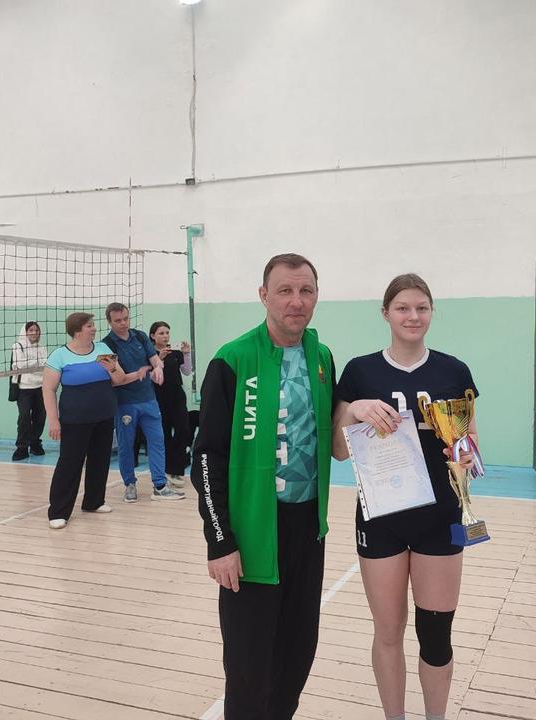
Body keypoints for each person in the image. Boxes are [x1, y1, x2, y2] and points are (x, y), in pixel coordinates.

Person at [191, 253, 335, 720]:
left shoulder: (321, 357)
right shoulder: (233, 359)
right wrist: (220, 541)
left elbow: (334, 432)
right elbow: (206, 458)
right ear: (264, 295)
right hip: (252, 537)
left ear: (316, 295)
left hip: (307, 534)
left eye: (306, 291)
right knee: (250, 669)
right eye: (285, 291)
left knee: (296, 657)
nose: (297, 301)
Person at [333, 273, 478, 720]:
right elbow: (338, 450)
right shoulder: (360, 372)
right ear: (385, 314)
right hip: (381, 519)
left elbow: (471, 447)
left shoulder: (454, 371)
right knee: (388, 632)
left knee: (436, 636)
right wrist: (354, 409)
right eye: (402, 308)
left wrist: (460, 450)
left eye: (421, 308)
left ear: (432, 312)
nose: (413, 316)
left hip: (441, 517)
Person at [43, 312, 131, 529]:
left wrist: (111, 367)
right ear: (77, 330)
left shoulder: (102, 349)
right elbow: (48, 390)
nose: (94, 329)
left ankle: (94, 501)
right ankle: (58, 511)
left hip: (104, 416)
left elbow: (119, 379)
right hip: (74, 420)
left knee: (100, 460)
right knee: (70, 463)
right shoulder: (60, 356)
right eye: (90, 326)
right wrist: (53, 421)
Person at [102, 303, 184, 502]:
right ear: (109, 322)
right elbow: (116, 380)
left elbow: (155, 359)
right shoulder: (105, 346)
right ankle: (129, 484)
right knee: (126, 445)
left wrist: (157, 367)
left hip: (149, 400)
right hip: (125, 403)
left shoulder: (140, 336)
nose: (123, 323)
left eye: (125, 318)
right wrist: (141, 372)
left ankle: (160, 486)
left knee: (157, 441)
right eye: (118, 320)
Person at [149, 321, 192, 487]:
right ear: (153, 336)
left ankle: (176, 469)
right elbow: (151, 377)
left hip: (177, 397)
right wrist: (159, 360)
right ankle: (165, 470)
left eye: (167, 332)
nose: (165, 336)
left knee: (184, 430)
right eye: (161, 333)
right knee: (164, 434)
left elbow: (187, 371)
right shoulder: (150, 354)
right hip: (159, 398)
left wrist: (186, 354)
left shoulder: (175, 352)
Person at [11, 321, 48, 461]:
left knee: (40, 417)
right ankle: (21, 447)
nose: (34, 333)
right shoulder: (17, 346)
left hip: (40, 387)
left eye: (36, 330)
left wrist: (31, 364)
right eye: (31, 330)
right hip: (24, 389)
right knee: (24, 418)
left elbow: (46, 364)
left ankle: (35, 443)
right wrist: (37, 362)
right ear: (25, 332)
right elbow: (20, 365)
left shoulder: (42, 347)